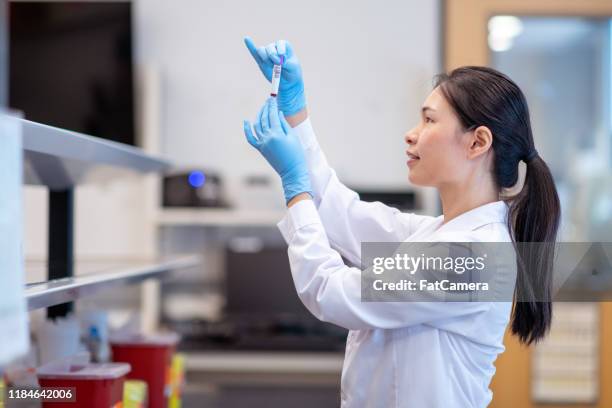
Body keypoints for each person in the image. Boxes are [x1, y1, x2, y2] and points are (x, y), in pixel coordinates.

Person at [242, 37, 560, 407]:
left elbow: (330, 292)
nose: (411, 133)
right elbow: (339, 212)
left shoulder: (474, 256)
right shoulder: (439, 233)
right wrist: (295, 114)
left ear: (477, 143)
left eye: (428, 120)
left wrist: (295, 188)